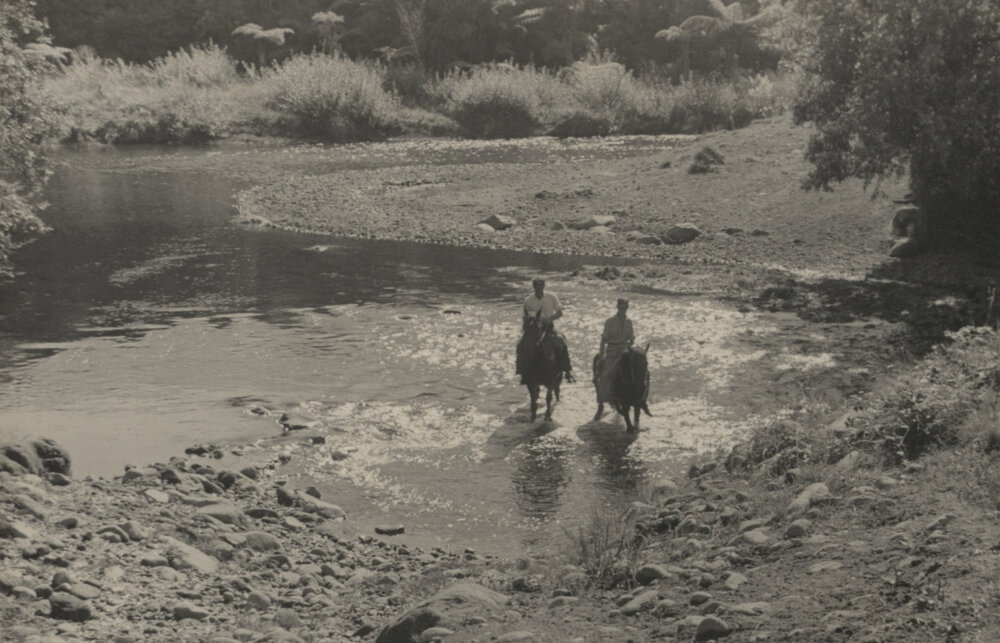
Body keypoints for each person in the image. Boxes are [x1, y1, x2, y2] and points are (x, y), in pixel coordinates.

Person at [517, 278, 575, 383]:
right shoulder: (528, 300)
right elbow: (525, 316)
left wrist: (549, 319)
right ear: (533, 287)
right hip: (534, 328)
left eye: (540, 286)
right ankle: (521, 370)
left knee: (560, 340)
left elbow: (559, 312)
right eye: (536, 286)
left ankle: (568, 370)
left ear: (544, 286)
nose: (538, 288)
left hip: (548, 326)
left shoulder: (551, 296)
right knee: (521, 344)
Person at [593, 298, 635, 417]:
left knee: (637, 370)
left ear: (627, 308)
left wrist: (628, 347)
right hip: (612, 350)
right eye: (621, 307)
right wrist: (601, 356)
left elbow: (631, 339)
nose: (623, 310)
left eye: (625, 307)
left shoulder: (629, 322)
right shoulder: (610, 321)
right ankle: (601, 403)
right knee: (605, 375)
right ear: (617, 307)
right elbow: (603, 340)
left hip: (625, 350)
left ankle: (637, 398)